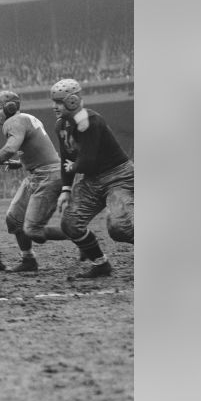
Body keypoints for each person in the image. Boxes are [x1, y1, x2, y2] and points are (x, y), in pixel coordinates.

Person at [0, 90, 70, 272]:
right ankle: (28, 260)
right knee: (14, 219)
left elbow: (9, 149)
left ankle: (80, 235)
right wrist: (20, 163)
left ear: (10, 107)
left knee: (34, 230)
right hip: (39, 174)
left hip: (48, 176)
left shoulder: (12, 122)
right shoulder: (25, 118)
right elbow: (35, 147)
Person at [50, 78, 134, 279]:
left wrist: (75, 166)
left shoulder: (91, 121)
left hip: (118, 176)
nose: (54, 106)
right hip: (93, 180)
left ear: (72, 101)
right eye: (54, 101)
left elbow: (86, 161)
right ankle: (101, 264)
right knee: (70, 223)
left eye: (59, 101)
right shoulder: (61, 126)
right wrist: (66, 189)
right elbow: (66, 160)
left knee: (119, 228)